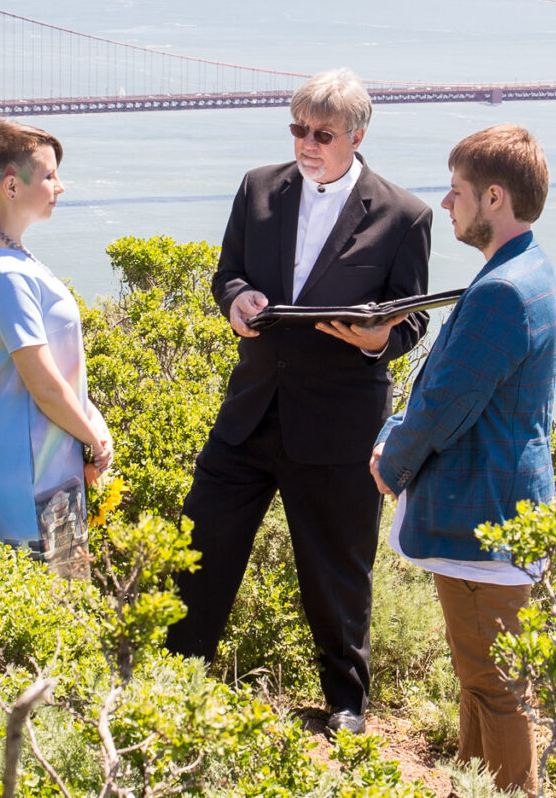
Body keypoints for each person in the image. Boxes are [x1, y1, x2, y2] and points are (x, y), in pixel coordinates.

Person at [166, 69, 435, 731]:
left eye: (322, 133)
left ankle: (346, 706)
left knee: (338, 572)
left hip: (339, 425)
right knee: (200, 549)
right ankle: (171, 682)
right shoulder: (259, 187)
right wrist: (236, 300)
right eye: (297, 129)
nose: (307, 144)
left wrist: (378, 338)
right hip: (250, 412)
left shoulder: (406, 215)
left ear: (358, 135)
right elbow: (226, 270)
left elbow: (413, 319)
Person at [371, 125, 556, 798]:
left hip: (485, 518)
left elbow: (447, 402)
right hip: (499, 510)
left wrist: (390, 460)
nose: (446, 201)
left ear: (494, 195)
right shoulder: (525, 271)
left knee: (497, 685)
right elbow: (450, 385)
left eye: (457, 189)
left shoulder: (502, 291)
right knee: (482, 677)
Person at [0, 119, 111, 573]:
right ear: (11, 186)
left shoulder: (2, 254)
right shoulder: (7, 273)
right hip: (26, 473)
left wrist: (91, 421)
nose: (60, 186)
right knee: (53, 605)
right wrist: (94, 442)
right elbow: (42, 385)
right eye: (48, 175)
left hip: (33, 458)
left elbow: (55, 374)